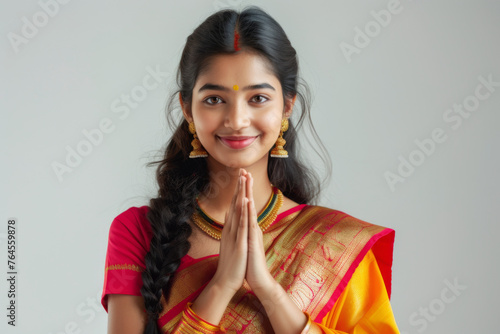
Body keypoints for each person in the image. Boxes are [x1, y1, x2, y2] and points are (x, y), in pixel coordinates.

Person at [101, 6, 400, 334]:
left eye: (257, 98)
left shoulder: (335, 244)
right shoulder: (138, 233)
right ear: (187, 108)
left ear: (287, 106)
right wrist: (221, 286)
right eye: (214, 100)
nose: (237, 121)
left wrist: (269, 291)